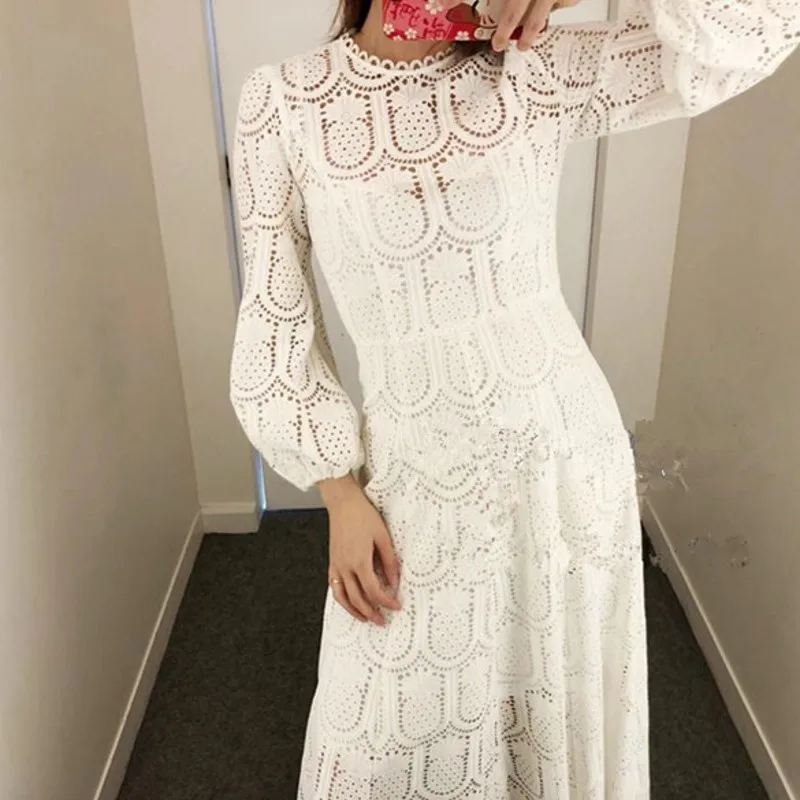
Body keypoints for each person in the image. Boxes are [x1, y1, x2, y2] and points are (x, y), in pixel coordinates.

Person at [228, 0, 799, 795]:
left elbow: (758, 30)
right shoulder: (285, 102)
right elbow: (276, 317)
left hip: (563, 460)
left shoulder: (536, 68)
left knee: (549, 716)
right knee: (377, 744)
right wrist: (340, 493)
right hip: (417, 482)